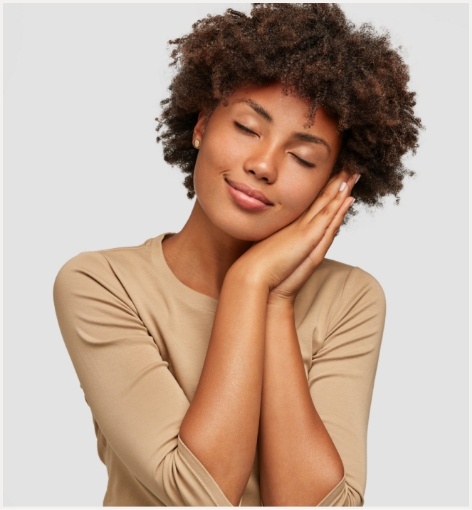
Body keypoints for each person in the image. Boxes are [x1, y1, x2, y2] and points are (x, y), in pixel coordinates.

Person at [53, 3, 422, 506]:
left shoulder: (350, 299)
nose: (263, 164)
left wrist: (270, 298)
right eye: (248, 128)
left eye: (303, 156)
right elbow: (196, 497)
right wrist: (251, 283)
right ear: (202, 123)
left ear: (334, 182)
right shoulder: (102, 284)